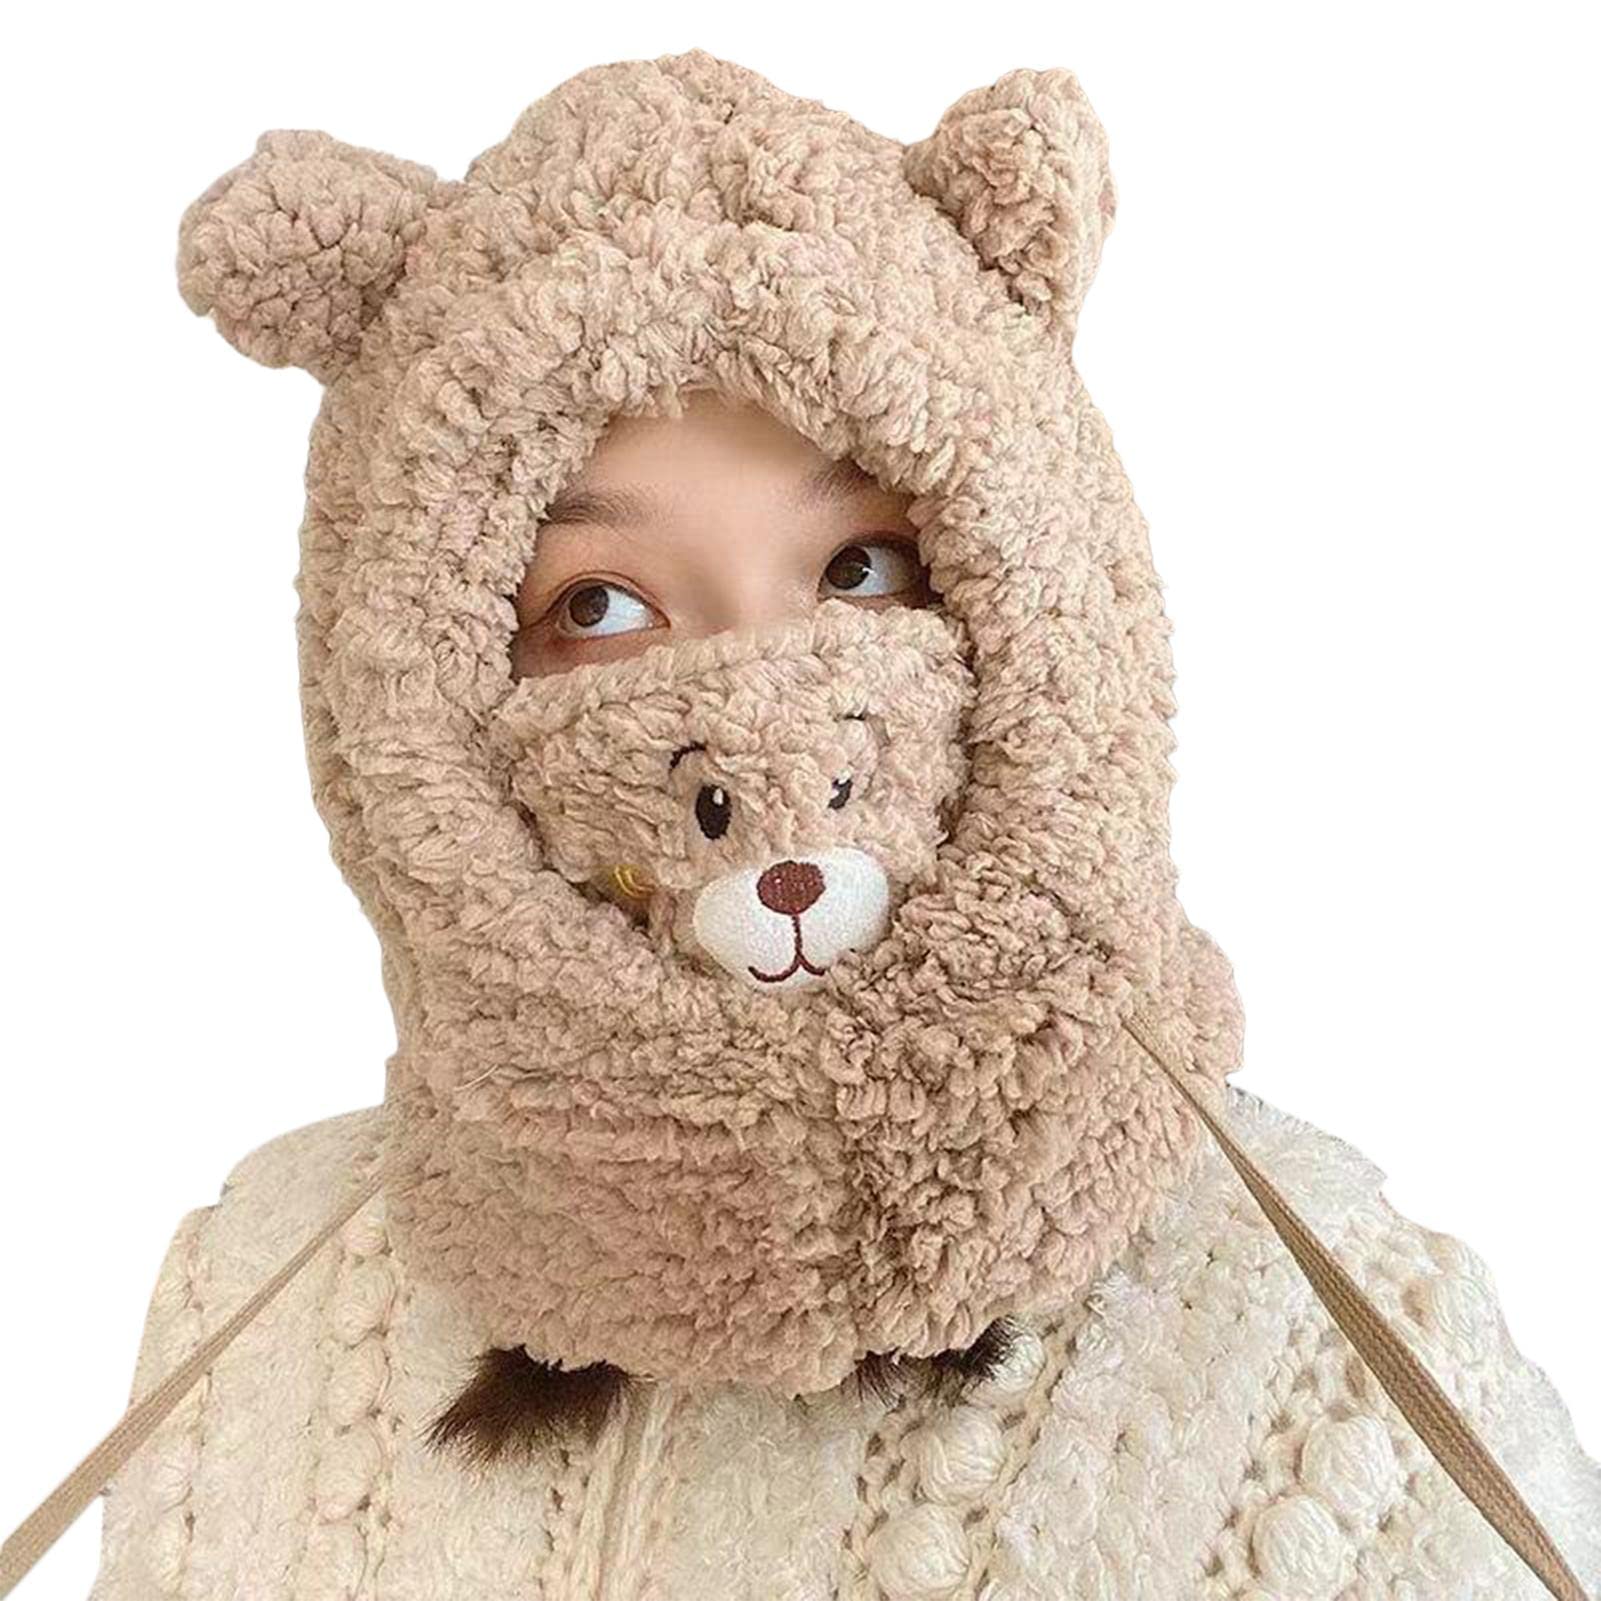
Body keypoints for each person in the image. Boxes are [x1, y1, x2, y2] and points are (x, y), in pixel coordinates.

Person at [42, 47, 1601, 1601]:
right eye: (596, 606)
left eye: (859, 569)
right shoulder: (252, 1295)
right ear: (412, 692)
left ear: (1035, 601)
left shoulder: (1325, 1354)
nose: (759, 710)